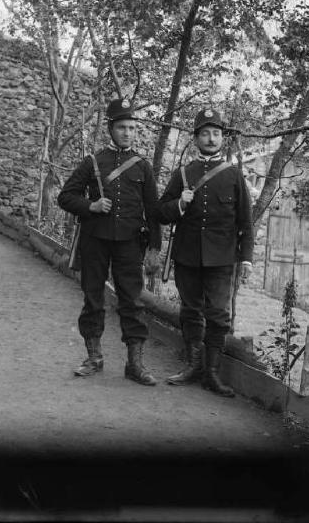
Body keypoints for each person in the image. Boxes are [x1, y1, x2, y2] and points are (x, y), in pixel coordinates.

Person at [57, 98, 161, 385]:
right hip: (95, 241)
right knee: (93, 299)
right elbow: (65, 196)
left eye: (131, 127)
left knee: (132, 301)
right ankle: (94, 357)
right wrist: (90, 206)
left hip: (129, 243)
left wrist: (155, 248)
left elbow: (152, 211)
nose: (127, 132)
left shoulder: (142, 167)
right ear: (110, 129)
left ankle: (135, 365)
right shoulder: (93, 162)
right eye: (121, 127)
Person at [155, 108, 254, 397]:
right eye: (205, 133)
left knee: (218, 315)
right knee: (190, 311)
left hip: (222, 259)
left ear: (222, 138)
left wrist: (246, 257)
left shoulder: (234, 175)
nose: (211, 139)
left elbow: (245, 222)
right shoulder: (183, 173)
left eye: (216, 133)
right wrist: (180, 205)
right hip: (187, 255)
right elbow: (160, 212)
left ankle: (212, 374)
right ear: (195, 137)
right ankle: (193, 366)